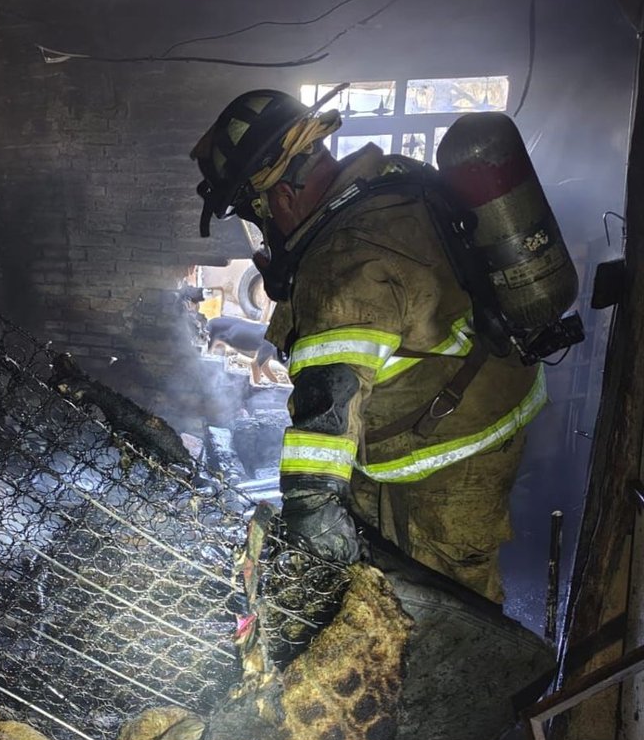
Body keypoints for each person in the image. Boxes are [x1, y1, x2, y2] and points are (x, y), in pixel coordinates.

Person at [190, 89, 546, 603]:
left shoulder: (342, 261)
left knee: (448, 603)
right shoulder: (389, 180)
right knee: (392, 573)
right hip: (467, 398)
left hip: (450, 447)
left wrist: (311, 512)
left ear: (283, 196)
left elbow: (327, 409)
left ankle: (472, 656)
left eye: (257, 216)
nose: (265, 233)